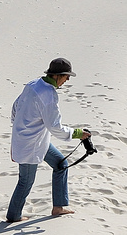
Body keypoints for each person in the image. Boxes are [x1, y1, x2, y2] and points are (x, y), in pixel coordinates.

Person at [6, 57, 90, 223]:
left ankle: (58, 207)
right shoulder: (49, 96)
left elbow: (15, 107)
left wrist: (20, 128)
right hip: (30, 144)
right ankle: (13, 216)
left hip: (34, 140)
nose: (67, 80)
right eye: (67, 77)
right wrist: (77, 133)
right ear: (58, 75)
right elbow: (55, 127)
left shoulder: (33, 84)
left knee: (60, 164)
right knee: (25, 181)